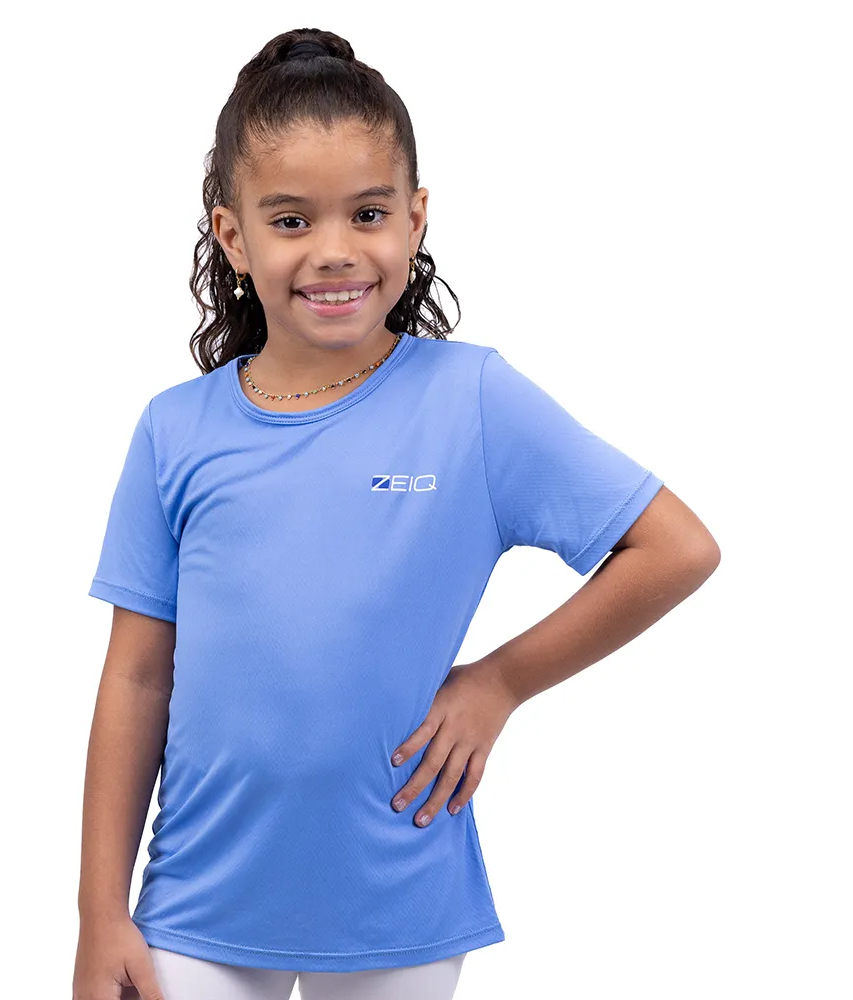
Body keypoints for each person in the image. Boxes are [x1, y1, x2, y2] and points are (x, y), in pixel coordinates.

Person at [73, 28, 720, 1000]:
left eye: (368, 212)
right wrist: (99, 913)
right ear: (233, 237)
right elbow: (135, 677)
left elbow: (674, 547)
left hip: (400, 901)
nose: (334, 250)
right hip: (196, 907)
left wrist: (499, 683)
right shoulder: (176, 430)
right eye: (291, 220)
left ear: (415, 220)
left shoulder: (471, 402)